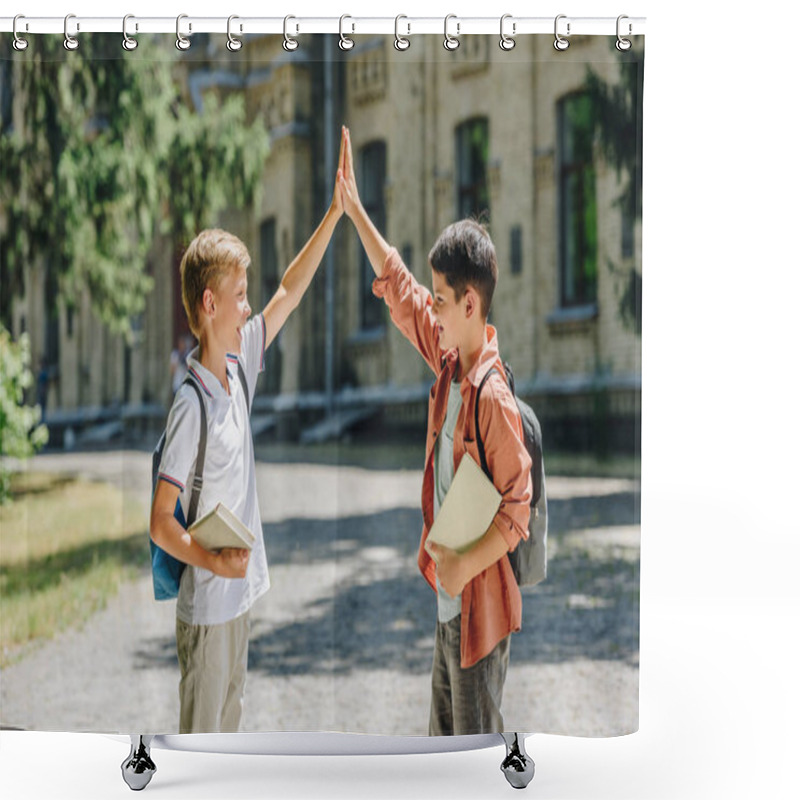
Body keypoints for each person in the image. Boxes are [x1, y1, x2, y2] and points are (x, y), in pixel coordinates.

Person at [336, 126, 532, 736]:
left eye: (443, 301)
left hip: (478, 612)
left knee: (472, 763)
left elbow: (517, 513)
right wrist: (356, 213)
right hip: (449, 606)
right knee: (438, 758)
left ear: (471, 306)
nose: (434, 310)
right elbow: (400, 289)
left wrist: (463, 566)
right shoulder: (450, 366)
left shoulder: (492, 399)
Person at [149, 132, 346, 734]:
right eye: (238, 296)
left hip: (239, 603)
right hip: (207, 610)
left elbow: (290, 291)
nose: (248, 305)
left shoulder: (239, 367)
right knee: (199, 756)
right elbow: (161, 523)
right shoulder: (191, 407)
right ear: (209, 305)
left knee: (228, 751)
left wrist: (335, 212)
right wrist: (212, 559)